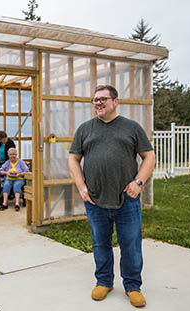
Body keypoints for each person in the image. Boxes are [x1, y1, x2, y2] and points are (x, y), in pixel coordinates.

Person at [68, 85, 155, 308]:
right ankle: (104, 282)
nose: (98, 103)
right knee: (100, 243)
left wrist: (138, 182)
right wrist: (81, 186)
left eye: (103, 99)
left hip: (127, 199)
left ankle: (133, 286)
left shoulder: (131, 128)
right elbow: (73, 159)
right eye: (95, 99)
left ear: (116, 102)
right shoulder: (85, 129)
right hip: (95, 200)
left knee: (131, 244)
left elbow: (149, 156)